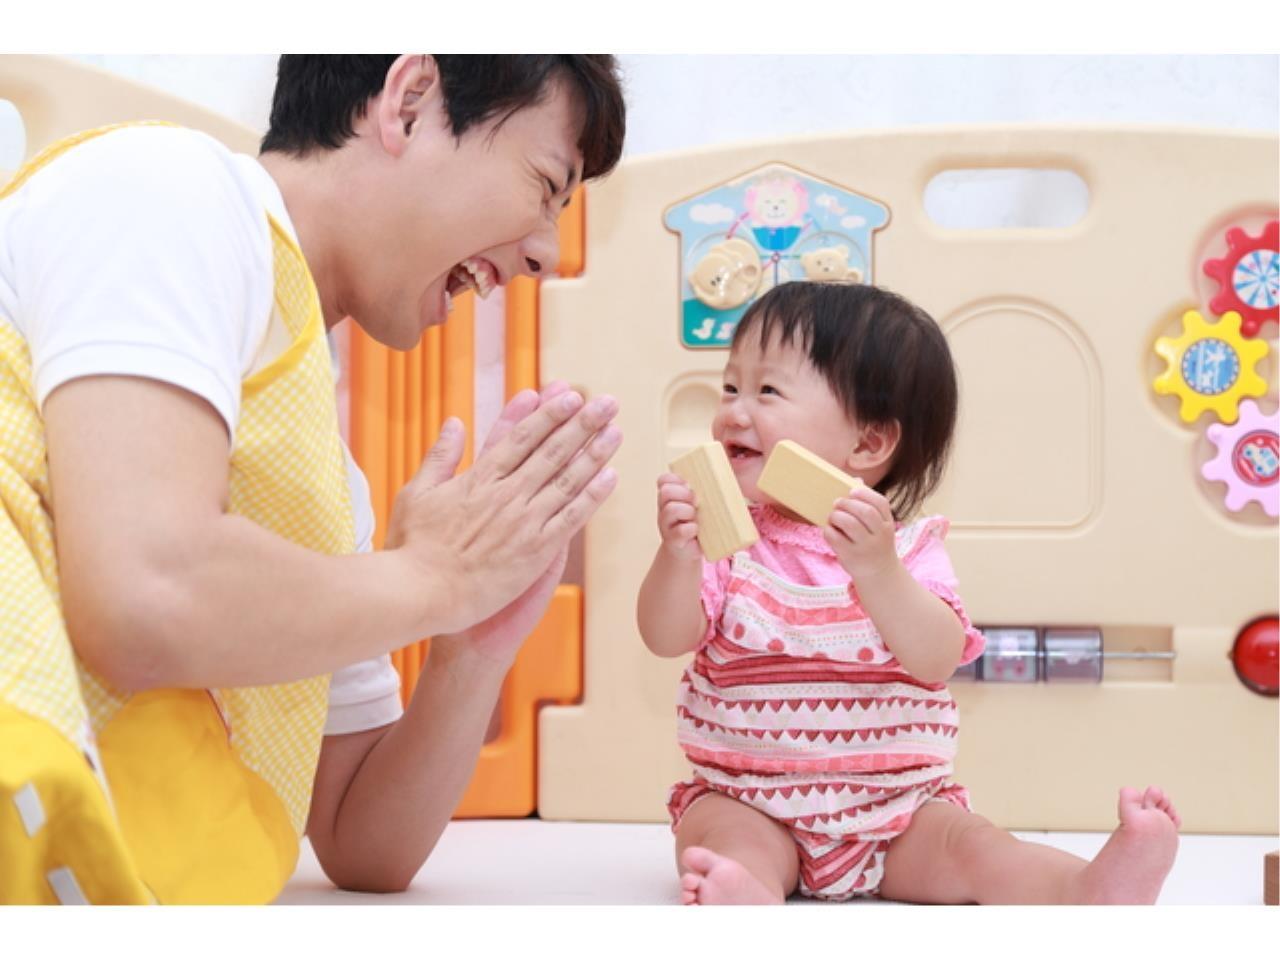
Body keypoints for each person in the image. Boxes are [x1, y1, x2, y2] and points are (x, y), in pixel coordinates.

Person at [0, 54, 626, 903]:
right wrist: (436, 577)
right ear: (410, 102)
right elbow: (143, 593)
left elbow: (363, 840)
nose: (545, 253)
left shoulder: (323, 485)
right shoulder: (169, 190)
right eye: (547, 186)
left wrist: (469, 645)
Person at [636, 280, 1182, 905]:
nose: (733, 411)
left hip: (898, 815)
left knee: (973, 848)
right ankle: (747, 887)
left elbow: (936, 658)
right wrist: (676, 555)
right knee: (721, 833)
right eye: (731, 386)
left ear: (868, 443)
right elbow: (664, 636)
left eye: (768, 392)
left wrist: (879, 572)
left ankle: (1086, 887)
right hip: (748, 798)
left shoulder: (907, 549)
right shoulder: (726, 538)